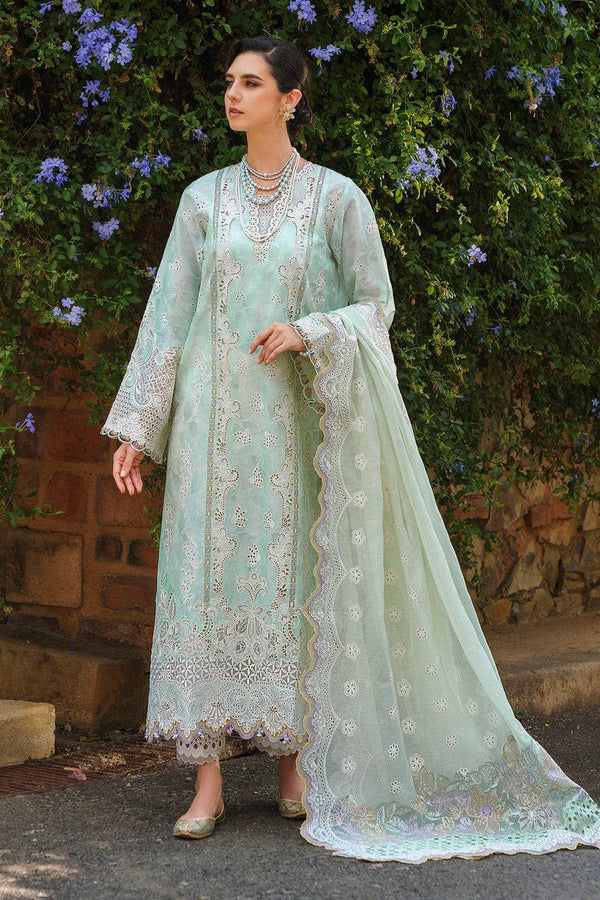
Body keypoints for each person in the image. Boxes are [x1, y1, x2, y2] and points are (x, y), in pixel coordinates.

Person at [101, 36, 600, 862]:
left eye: (251, 83)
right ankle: (207, 783)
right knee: (203, 586)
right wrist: (137, 429)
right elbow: (167, 318)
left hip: (297, 425)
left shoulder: (336, 199)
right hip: (209, 431)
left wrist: (309, 329)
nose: (234, 95)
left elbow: (377, 307)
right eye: (230, 82)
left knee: (295, 584)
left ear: (290, 98)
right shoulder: (202, 200)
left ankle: (295, 767)